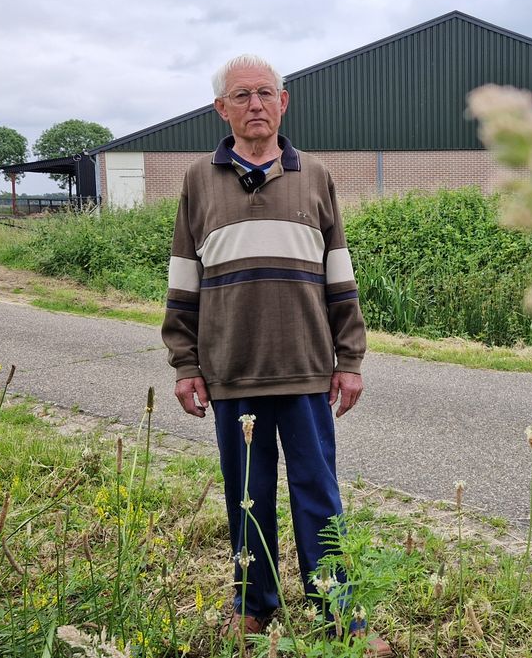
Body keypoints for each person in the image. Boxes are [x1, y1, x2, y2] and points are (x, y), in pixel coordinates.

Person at [162, 54, 390, 656]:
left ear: (284, 102)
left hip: (308, 369)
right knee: (247, 498)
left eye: (265, 93)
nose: (255, 104)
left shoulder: (315, 176)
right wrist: (185, 364)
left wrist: (350, 359)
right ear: (222, 108)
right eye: (241, 96)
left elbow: (339, 273)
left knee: (319, 496)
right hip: (231, 373)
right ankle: (253, 607)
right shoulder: (197, 180)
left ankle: (338, 612)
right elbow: (183, 277)